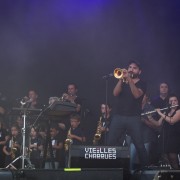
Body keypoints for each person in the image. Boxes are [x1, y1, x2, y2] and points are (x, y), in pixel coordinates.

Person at [107, 60, 148, 168]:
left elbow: (136, 95)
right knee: (110, 142)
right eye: (130, 67)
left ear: (139, 71)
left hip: (134, 117)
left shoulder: (142, 83)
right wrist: (121, 79)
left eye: (134, 68)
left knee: (139, 144)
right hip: (119, 116)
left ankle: (146, 169)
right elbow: (115, 93)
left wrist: (129, 79)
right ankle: (109, 167)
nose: (131, 69)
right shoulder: (123, 81)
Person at [155, 94, 180, 169]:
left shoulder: (179, 111)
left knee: (173, 159)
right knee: (166, 158)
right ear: (169, 102)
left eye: (175, 100)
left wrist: (160, 113)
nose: (173, 102)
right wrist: (150, 118)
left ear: (178, 101)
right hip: (166, 137)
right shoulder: (166, 112)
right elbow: (158, 124)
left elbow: (172, 121)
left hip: (174, 137)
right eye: (171, 101)